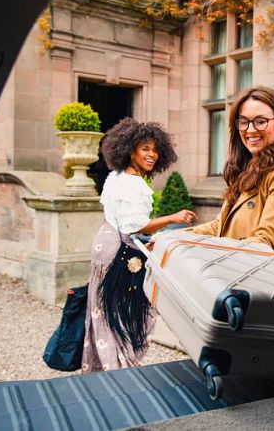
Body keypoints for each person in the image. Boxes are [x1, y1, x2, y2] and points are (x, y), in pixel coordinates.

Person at [81, 117, 196, 373]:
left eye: (155, 149)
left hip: (104, 243)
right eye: (145, 148)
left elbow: (117, 220)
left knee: (104, 309)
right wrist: (173, 218)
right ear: (129, 150)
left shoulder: (115, 177)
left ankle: (99, 366)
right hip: (118, 252)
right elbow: (135, 226)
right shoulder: (135, 185)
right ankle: (117, 367)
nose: (152, 154)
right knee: (125, 312)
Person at [187, 85, 274, 266]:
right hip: (237, 274)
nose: (250, 130)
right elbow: (219, 226)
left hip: (265, 282)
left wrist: (214, 254)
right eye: (243, 122)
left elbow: (266, 241)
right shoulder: (246, 170)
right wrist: (173, 238)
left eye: (260, 121)